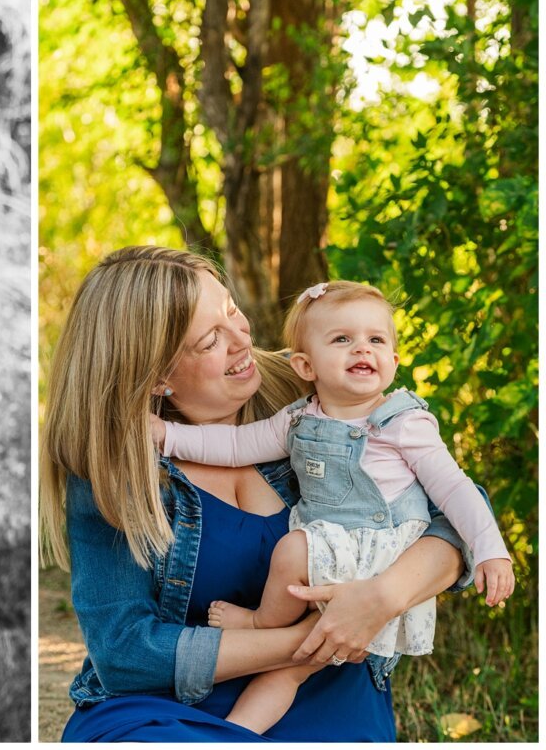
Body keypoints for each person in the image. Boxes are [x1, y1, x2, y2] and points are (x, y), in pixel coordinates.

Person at [40, 246, 487, 742]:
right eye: (211, 339)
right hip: (166, 706)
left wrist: (381, 598)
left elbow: (459, 510)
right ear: (157, 375)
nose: (242, 339)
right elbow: (124, 650)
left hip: (320, 689)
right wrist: (306, 639)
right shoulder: (116, 462)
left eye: (232, 311)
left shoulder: (310, 397)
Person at [149, 279, 514, 734]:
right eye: (342, 339)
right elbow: (237, 444)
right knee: (288, 670)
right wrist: (169, 437)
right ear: (305, 364)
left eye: (376, 339)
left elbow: (456, 490)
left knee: (292, 551)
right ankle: (235, 735)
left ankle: (262, 624)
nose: (362, 348)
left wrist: (490, 549)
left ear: (394, 361)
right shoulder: (299, 417)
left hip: (376, 558)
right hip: (328, 553)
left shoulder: (404, 423)